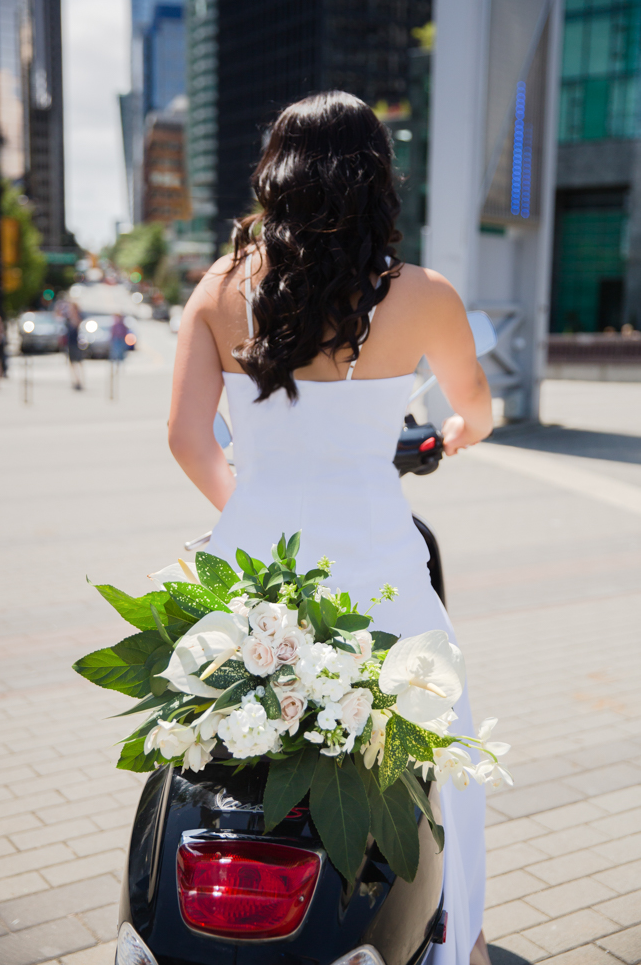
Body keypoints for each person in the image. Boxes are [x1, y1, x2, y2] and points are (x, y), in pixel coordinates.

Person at [168, 91, 494, 965]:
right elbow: (475, 411)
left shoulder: (218, 288)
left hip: (248, 568)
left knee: (217, 758)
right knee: (441, 748)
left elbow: (185, 437)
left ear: (276, 172)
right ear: (374, 177)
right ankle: (455, 938)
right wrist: (456, 435)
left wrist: (247, 508)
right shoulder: (422, 294)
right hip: (380, 561)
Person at [64, 302, 85, 390]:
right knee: (72, 363)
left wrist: (74, 315)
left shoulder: (78, 316)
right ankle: (75, 380)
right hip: (70, 343)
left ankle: (80, 380)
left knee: (78, 363)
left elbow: (77, 325)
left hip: (76, 343)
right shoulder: (68, 317)